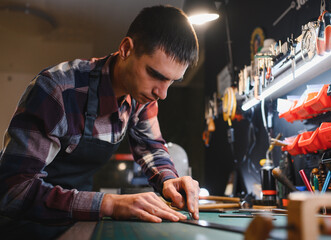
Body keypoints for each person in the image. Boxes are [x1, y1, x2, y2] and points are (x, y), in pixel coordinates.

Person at [0, 5, 200, 225]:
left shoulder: (141, 98)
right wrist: (110, 204)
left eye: (172, 81)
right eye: (155, 74)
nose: (162, 94)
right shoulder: (57, 90)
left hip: (75, 222)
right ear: (126, 49)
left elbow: (151, 147)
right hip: (25, 227)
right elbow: (13, 190)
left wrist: (169, 180)